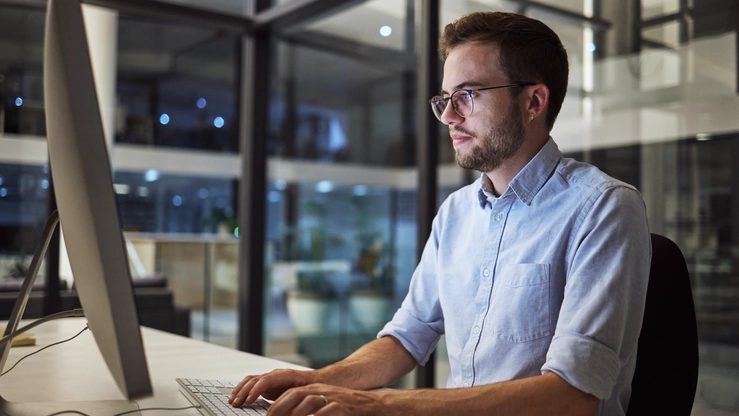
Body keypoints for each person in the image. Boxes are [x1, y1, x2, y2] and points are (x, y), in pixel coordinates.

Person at [230, 11, 650, 416]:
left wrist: (381, 405)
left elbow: (571, 397)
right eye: (446, 99)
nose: (448, 116)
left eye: (467, 96)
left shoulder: (603, 208)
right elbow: (406, 339)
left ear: (534, 101)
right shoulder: (456, 212)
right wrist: (316, 382)